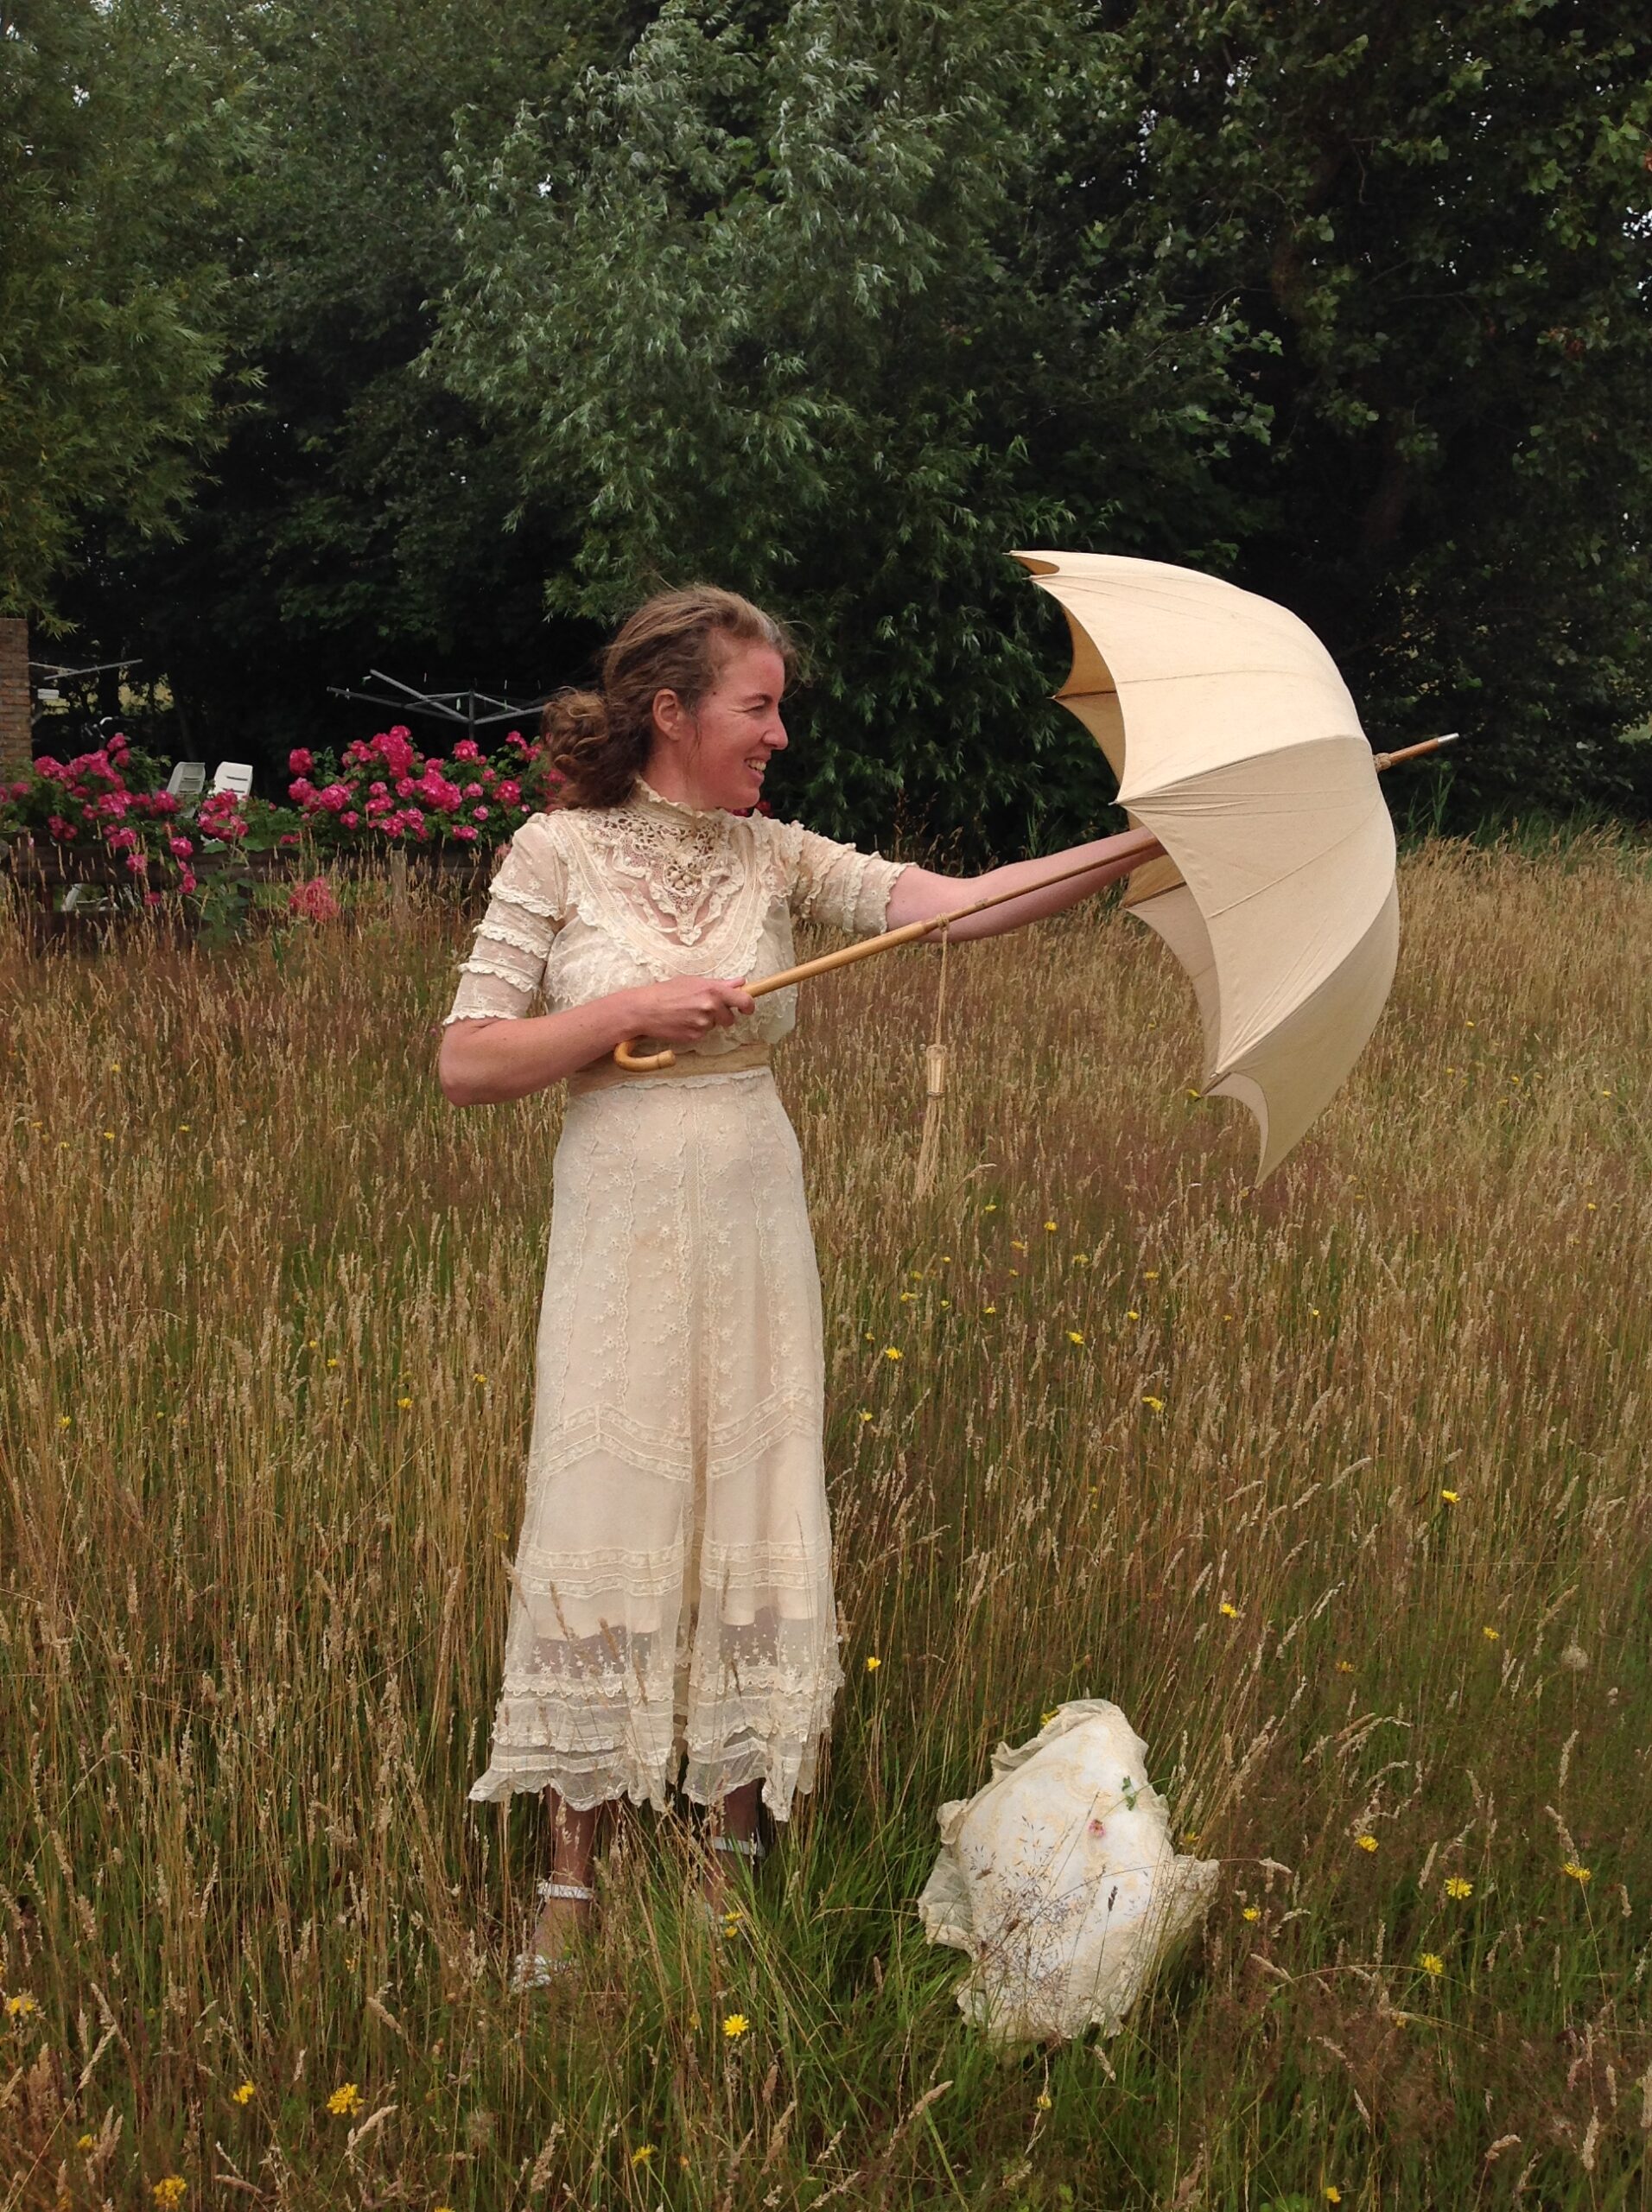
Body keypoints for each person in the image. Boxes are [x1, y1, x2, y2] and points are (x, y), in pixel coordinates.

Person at [437, 585, 1160, 1986]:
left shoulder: (778, 859)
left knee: (753, 1492)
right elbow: (468, 1061)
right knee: (604, 1498)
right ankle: (570, 1880)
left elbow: (962, 909)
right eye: (757, 707)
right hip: (617, 1225)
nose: (779, 734)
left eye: (778, 709)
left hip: (755, 1216)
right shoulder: (556, 851)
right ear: (672, 710)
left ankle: (732, 1860)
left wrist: (1143, 844)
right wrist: (628, 1011)